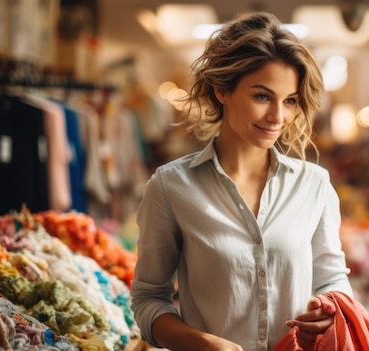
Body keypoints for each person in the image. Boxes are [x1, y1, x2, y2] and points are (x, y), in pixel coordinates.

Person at [131, 11, 354, 351]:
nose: (278, 117)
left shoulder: (315, 186)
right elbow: (148, 299)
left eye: (290, 101)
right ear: (223, 90)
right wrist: (202, 343)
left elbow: (333, 279)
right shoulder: (170, 187)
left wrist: (329, 308)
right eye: (262, 96)